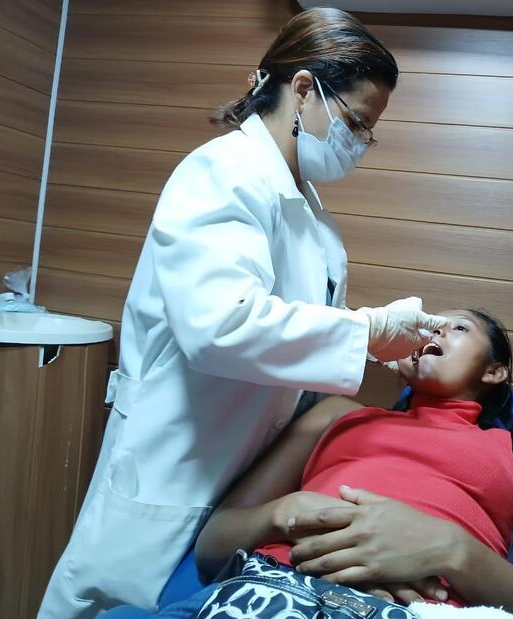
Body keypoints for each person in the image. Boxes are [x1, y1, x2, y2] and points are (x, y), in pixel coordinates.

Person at [39, 8, 447, 618]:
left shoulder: (310, 213)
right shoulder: (222, 173)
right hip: (176, 456)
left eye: (370, 131)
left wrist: (371, 346)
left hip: (245, 466)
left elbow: (295, 333)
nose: (361, 143)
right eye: (357, 122)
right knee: (111, 601)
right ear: (304, 89)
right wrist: (365, 331)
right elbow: (222, 326)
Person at [108, 310, 513, 619]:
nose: (434, 328)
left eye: (458, 327)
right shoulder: (337, 416)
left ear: (494, 370)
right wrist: (285, 512)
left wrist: (451, 551)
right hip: (265, 594)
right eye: (429, 321)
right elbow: (212, 547)